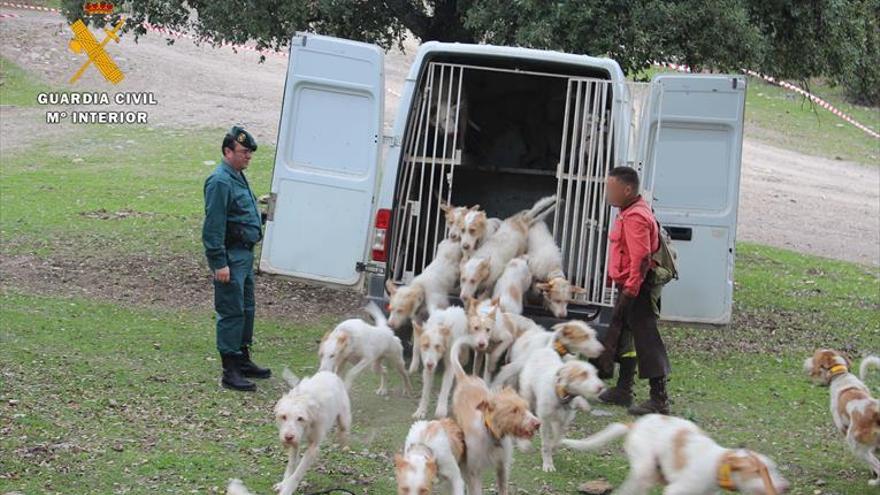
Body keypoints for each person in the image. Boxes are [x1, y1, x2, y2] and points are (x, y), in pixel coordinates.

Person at [597, 166, 671, 415]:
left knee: (647, 338)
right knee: (625, 337)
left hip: (637, 286)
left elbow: (640, 257)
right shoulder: (627, 211)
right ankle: (623, 389)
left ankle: (659, 399)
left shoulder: (636, 217)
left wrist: (630, 290)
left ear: (627, 189)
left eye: (612, 188)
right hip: (630, 284)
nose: (607, 193)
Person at [202, 126, 271, 391]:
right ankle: (229, 370)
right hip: (230, 256)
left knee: (247, 309)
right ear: (227, 151)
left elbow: (239, 211)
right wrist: (219, 262)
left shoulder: (237, 176)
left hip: (244, 254)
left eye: (249, 153)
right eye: (243, 152)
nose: (248, 157)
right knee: (231, 311)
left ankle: (242, 359)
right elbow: (214, 225)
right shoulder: (220, 181)